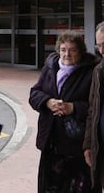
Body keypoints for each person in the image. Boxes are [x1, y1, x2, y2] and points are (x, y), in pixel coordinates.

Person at [29, 30, 99, 193]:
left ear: (80, 51)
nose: (66, 54)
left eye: (72, 50)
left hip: (76, 145)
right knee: (50, 186)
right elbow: (35, 93)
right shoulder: (51, 66)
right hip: (51, 141)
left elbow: (96, 107)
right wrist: (47, 102)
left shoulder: (91, 71)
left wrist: (72, 107)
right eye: (63, 49)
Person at [84, 21, 104, 191]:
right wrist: (88, 144)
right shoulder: (98, 71)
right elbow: (92, 111)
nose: (102, 50)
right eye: (99, 45)